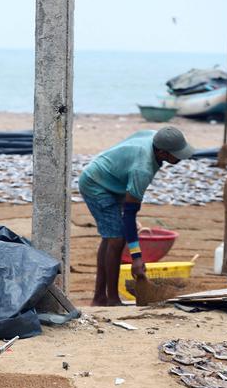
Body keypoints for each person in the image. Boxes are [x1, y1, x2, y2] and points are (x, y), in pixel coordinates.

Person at [79, 126, 194, 306]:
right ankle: (112, 299)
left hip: (111, 178)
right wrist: (137, 258)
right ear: (162, 153)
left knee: (110, 237)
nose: (180, 157)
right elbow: (130, 214)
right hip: (97, 185)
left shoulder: (155, 137)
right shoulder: (143, 169)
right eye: (176, 154)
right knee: (116, 239)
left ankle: (100, 298)